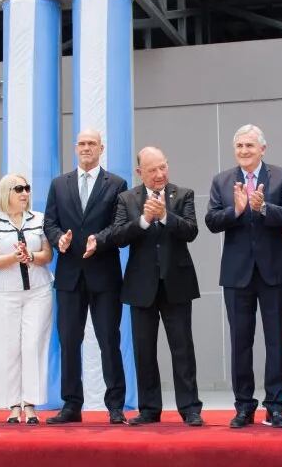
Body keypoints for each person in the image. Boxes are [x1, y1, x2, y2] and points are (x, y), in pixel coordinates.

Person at [205, 124, 282, 429]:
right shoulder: (222, 181)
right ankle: (244, 406)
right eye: (239, 146)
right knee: (240, 343)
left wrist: (263, 208)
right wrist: (236, 210)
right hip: (237, 274)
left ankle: (275, 406)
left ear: (263, 148)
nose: (244, 151)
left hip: (275, 271)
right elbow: (211, 221)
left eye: (250, 146)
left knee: (276, 342)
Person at [111, 147, 204, 427]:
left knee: (182, 348)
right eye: (152, 170)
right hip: (141, 286)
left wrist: (165, 216)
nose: (160, 174)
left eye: (163, 167)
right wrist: (144, 220)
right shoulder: (126, 199)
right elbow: (117, 236)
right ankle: (149, 408)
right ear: (140, 173)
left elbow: (191, 231)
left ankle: (190, 408)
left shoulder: (183, 194)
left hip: (177, 283)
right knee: (144, 349)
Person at [43, 130, 128, 425]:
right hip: (68, 276)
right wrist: (58, 240)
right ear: (75, 147)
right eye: (81, 143)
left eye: (92, 144)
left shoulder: (116, 184)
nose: (86, 148)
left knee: (109, 340)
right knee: (68, 341)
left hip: (104, 275)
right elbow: (50, 222)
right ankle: (71, 405)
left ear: (101, 148)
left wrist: (99, 240)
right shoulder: (59, 184)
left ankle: (115, 405)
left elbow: (119, 224)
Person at [0, 174, 54, 425]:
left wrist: (31, 256)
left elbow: (47, 254)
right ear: (6, 193)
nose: (25, 193)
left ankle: (31, 404)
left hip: (38, 291)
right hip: (4, 293)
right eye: (19, 189)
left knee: (33, 345)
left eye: (27, 189)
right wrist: (14, 257)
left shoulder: (39, 219)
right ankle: (13, 405)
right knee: (7, 347)